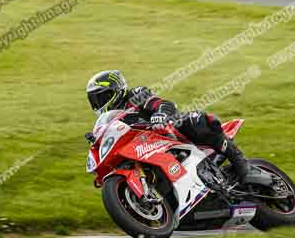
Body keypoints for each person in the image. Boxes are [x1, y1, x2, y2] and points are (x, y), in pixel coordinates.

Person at [86, 70, 268, 185]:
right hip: (144, 150)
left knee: (194, 120)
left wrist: (160, 114)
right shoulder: (110, 120)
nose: (99, 104)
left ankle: (244, 166)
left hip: (168, 134)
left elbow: (161, 103)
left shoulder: (136, 95)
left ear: (116, 90)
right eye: (95, 101)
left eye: (102, 97)